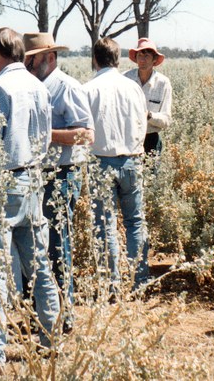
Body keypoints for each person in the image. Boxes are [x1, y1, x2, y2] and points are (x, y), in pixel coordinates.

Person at [0, 27, 60, 370]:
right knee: (39, 266)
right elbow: (46, 138)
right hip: (33, 179)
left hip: (2, 184)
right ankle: (52, 339)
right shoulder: (39, 86)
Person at [23, 32, 94, 332]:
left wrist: (45, 133)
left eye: (32, 58)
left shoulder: (66, 87)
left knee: (56, 245)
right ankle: (43, 312)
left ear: (49, 57)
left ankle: (64, 316)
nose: (27, 63)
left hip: (61, 176)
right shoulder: (32, 87)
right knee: (36, 246)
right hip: (37, 176)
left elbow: (86, 134)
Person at [82, 37, 149, 295]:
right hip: (132, 159)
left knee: (106, 223)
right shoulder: (133, 88)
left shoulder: (88, 89)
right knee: (134, 222)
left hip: (101, 162)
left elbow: (85, 131)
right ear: (118, 59)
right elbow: (142, 123)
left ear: (95, 59)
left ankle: (111, 284)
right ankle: (139, 281)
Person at [124, 39, 172, 155]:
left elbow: (166, 120)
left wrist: (148, 115)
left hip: (151, 140)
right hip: (127, 139)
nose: (142, 59)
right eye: (139, 55)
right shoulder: (125, 78)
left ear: (154, 59)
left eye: (146, 56)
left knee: (150, 173)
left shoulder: (163, 83)